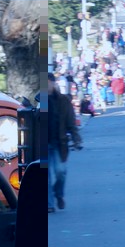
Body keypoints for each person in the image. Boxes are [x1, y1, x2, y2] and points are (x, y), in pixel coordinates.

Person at [49, 72, 82, 213]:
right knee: (45, 175)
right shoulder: (38, 100)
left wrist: (76, 139)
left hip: (59, 142)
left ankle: (59, 194)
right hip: (42, 143)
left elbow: (71, 123)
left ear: (53, 83)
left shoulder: (63, 101)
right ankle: (49, 204)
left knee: (61, 172)